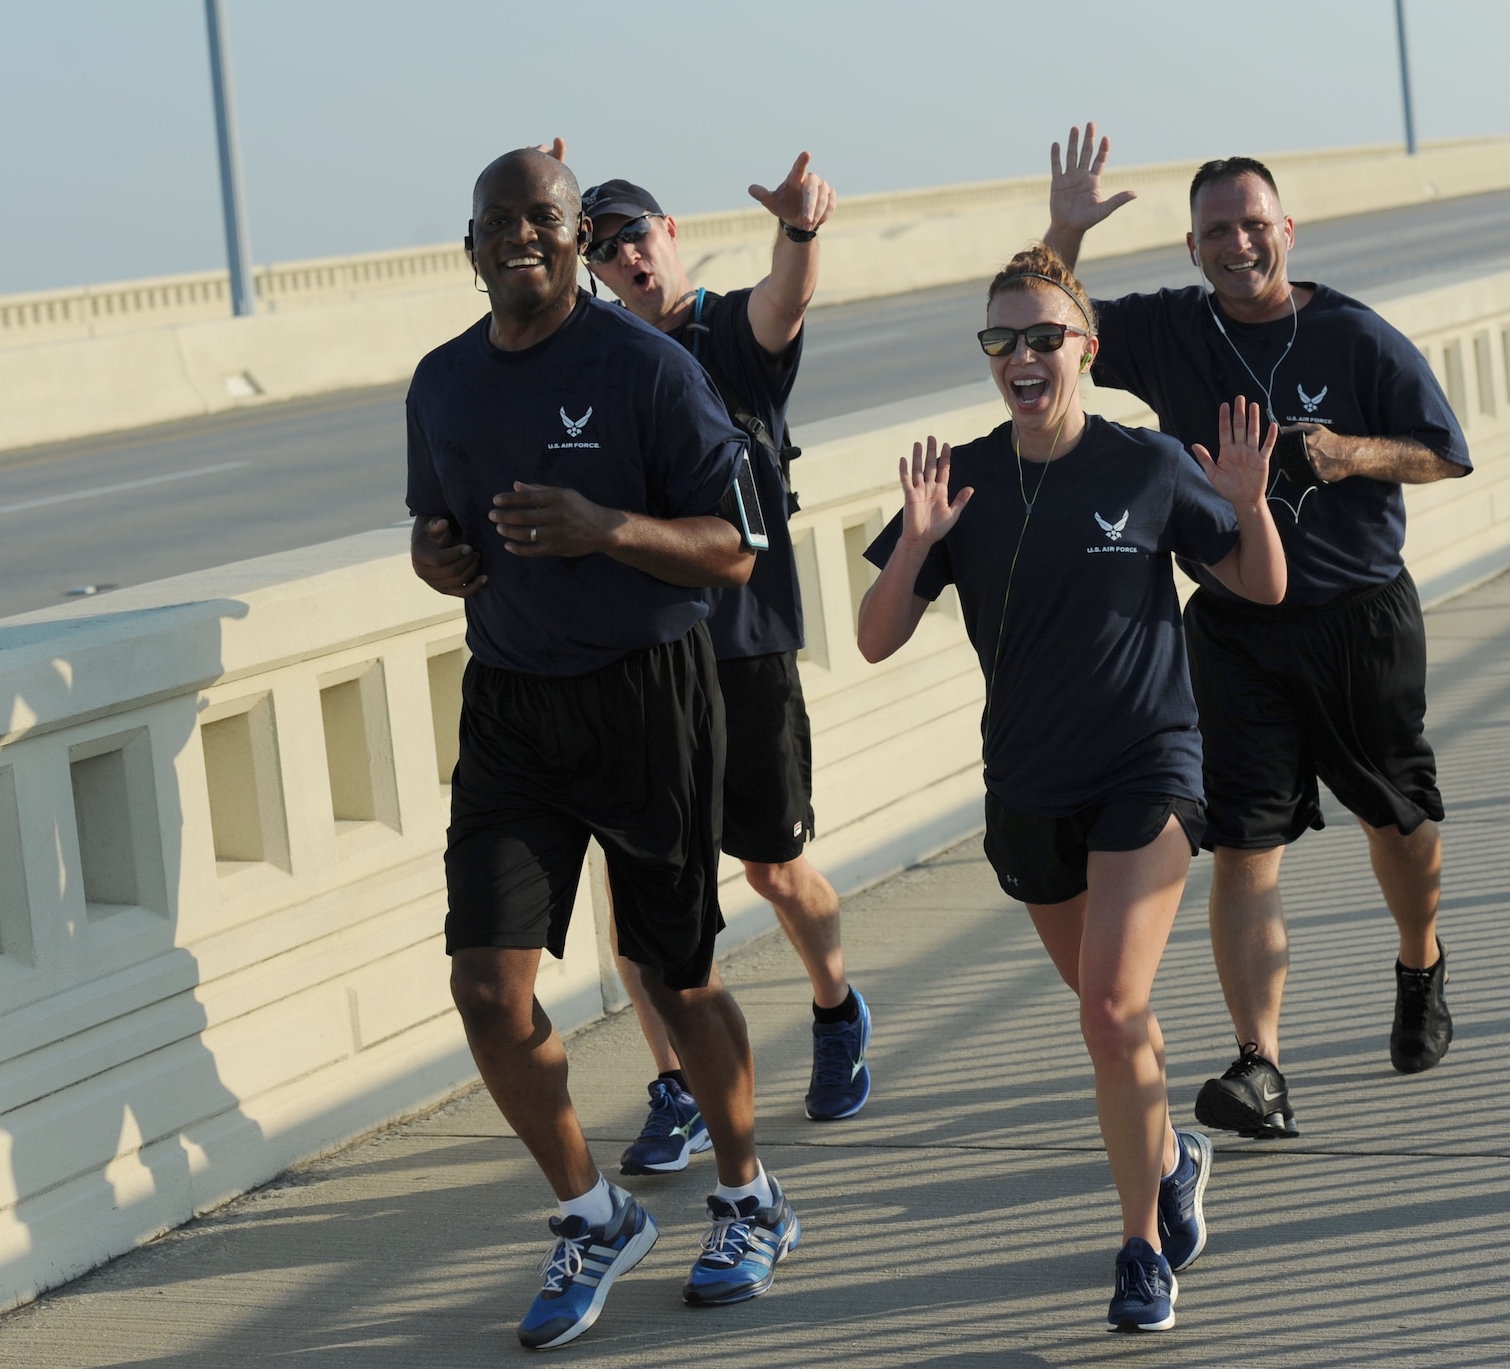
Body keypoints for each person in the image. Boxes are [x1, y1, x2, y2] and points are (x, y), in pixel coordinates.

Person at [406, 147, 799, 1350]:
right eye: (498, 222)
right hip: (512, 705)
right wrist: (437, 557)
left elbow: (733, 547)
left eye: (544, 218)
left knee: (679, 978)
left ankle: (747, 1195)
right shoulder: (439, 383)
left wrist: (599, 528)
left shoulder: (645, 367)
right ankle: (591, 1211)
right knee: (485, 987)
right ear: (469, 246)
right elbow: (433, 522)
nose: (521, 237)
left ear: (577, 238)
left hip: (647, 695)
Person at [856, 244, 1286, 1330]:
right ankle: (1172, 1155)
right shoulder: (955, 476)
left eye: (1044, 336)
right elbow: (872, 639)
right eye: (1001, 339)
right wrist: (914, 545)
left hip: (1149, 765)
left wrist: (1250, 504)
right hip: (1029, 786)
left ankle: (1140, 1247)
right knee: (1114, 1026)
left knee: (1108, 1005)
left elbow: (1261, 583)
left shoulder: (1141, 464)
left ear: (1084, 350)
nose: (1022, 355)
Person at [1041, 125, 1471, 1140]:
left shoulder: (1354, 336)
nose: (1236, 244)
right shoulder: (1166, 331)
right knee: (1241, 847)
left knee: (1398, 827)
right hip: (1233, 629)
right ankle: (1259, 1064)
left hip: (1357, 618)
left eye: (1251, 223)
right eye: (1214, 231)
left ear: (1286, 228)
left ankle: (1419, 964)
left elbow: (1443, 454)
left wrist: (1351, 452)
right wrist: (1064, 225)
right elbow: (1047, 326)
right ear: (1190, 249)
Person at [572, 153, 874, 1169]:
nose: (624, 257)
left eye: (634, 235)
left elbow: (783, 304)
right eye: (601, 249)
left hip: (745, 646)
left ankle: (835, 1013)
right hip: (644, 655)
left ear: (669, 231)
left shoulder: (726, 333)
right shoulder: (600, 358)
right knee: (638, 888)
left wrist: (797, 231)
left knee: (776, 869)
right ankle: (675, 1086)